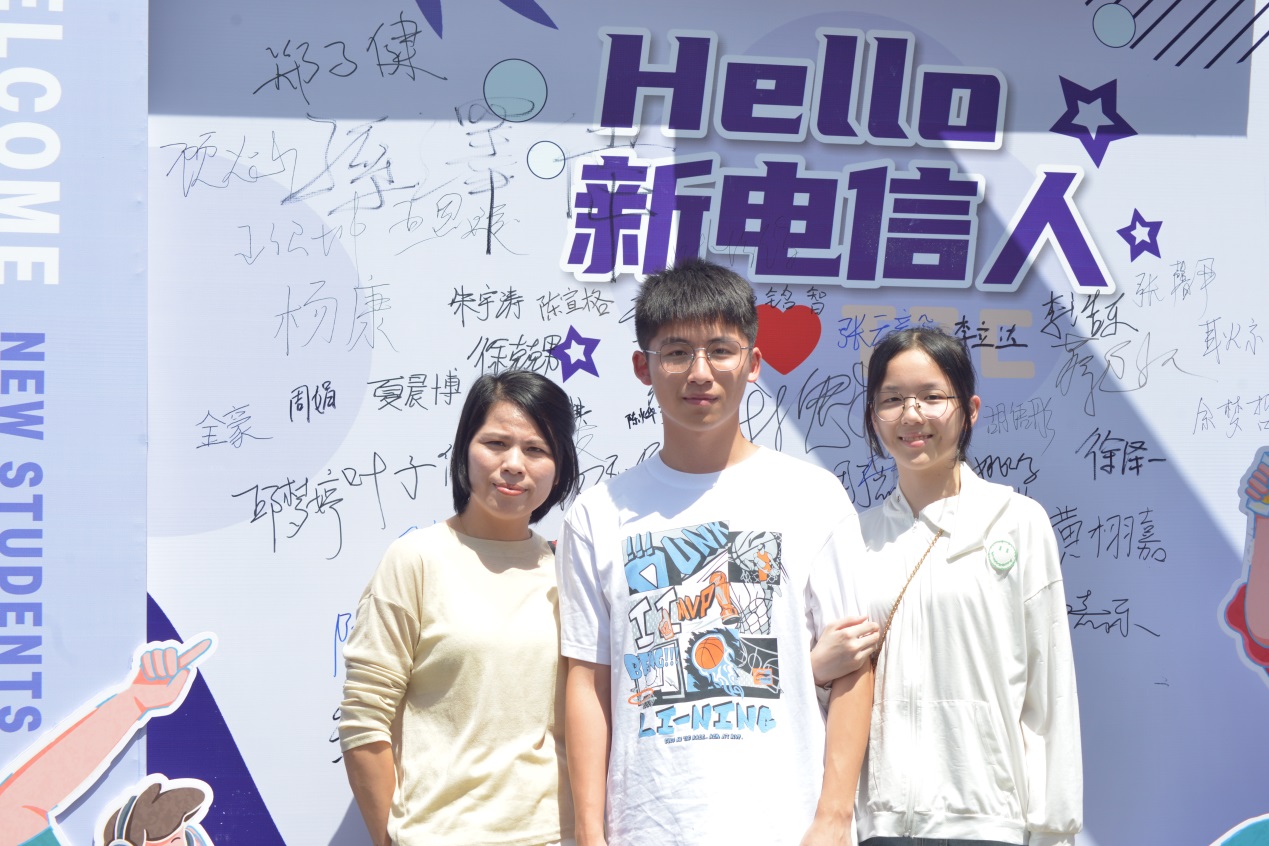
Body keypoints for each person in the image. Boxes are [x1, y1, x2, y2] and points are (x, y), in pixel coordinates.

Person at [556, 258, 868, 846]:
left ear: (753, 363)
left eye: (720, 350)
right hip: (647, 829)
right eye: (676, 352)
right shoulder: (596, 515)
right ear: (643, 367)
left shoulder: (813, 496)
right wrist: (590, 832)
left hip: (787, 827)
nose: (700, 372)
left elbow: (855, 667)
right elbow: (587, 681)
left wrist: (833, 818)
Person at [809, 326, 1082, 846]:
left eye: (932, 397)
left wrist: (1054, 829)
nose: (912, 415)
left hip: (989, 821)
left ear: (970, 410)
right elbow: (829, 695)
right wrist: (815, 670)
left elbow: (1050, 688)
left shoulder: (1016, 521)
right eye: (892, 399)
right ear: (873, 416)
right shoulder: (852, 539)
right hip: (879, 825)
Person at [339, 370, 582, 846]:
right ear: (464, 449)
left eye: (536, 449)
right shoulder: (416, 559)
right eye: (496, 443)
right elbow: (364, 720)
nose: (514, 464)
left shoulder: (569, 571)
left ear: (559, 468)